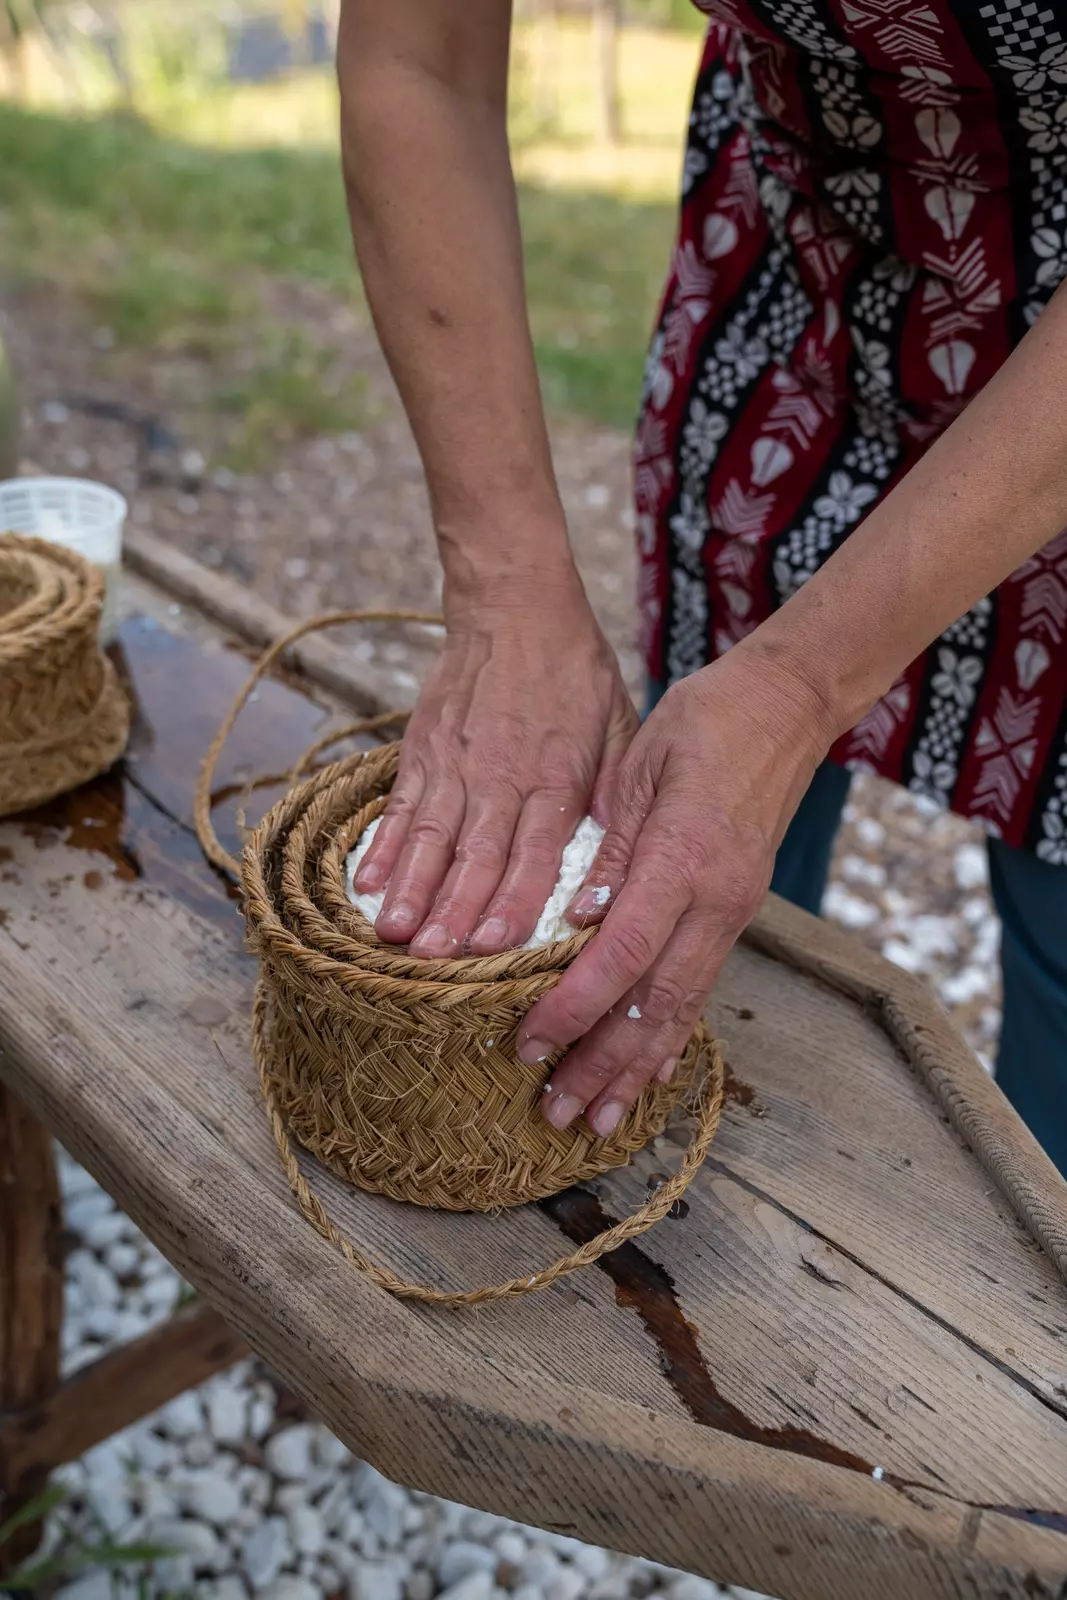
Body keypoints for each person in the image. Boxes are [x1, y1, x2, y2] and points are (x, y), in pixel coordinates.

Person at [336, 0, 1067, 1174]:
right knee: (682, 850)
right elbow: (418, 62)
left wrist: (797, 687)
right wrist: (505, 587)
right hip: (802, 243)